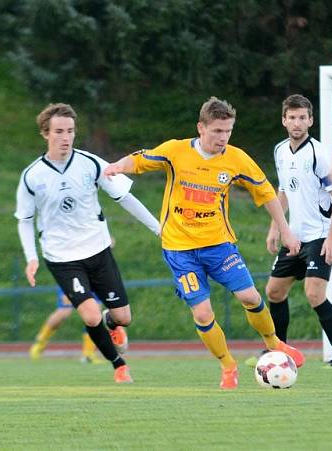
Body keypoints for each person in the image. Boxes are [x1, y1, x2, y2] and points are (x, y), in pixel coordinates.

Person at [103, 96, 305, 390]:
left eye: (228, 131)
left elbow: (267, 194)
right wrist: (117, 167)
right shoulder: (176, 151)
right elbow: (139, 159)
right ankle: (228, 366)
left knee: (249, 296)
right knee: (202, 313)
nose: (222, 138)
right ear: (201, 128)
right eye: (217, 131)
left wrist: (285, 231)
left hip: (219, 245)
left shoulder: (236, 159)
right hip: (179, 249)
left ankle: (275, 344)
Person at [15, 102, 160, 384]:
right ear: (46, 133)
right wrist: (31, 258)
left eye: (70, 131)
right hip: (62, 258)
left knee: (123, 317)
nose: (66, 137)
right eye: (59, 131)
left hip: (98, 249)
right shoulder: (32, 176)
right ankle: (119, 365)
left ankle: (112, 323)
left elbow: (124, 197)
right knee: (90, 315)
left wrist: (158, 228)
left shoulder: (91, 163)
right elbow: (24, 219)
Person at [246, 94, 332, 369]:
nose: (297, 122)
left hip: (319, 235)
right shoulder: (280, 150)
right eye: (292, 117)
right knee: (274, 292)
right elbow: (282, 191)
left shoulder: (319, 154)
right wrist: (275, 228)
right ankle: (279, 351)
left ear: (310, 120)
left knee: (314, 293)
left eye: (302, 117)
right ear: (284, 120)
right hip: (294, 237)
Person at [28, 287, 103, 364]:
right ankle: (39, 344)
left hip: (92, 279)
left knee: (95, 311)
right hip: (71, 277)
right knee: (64, 311)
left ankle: (88, 354)